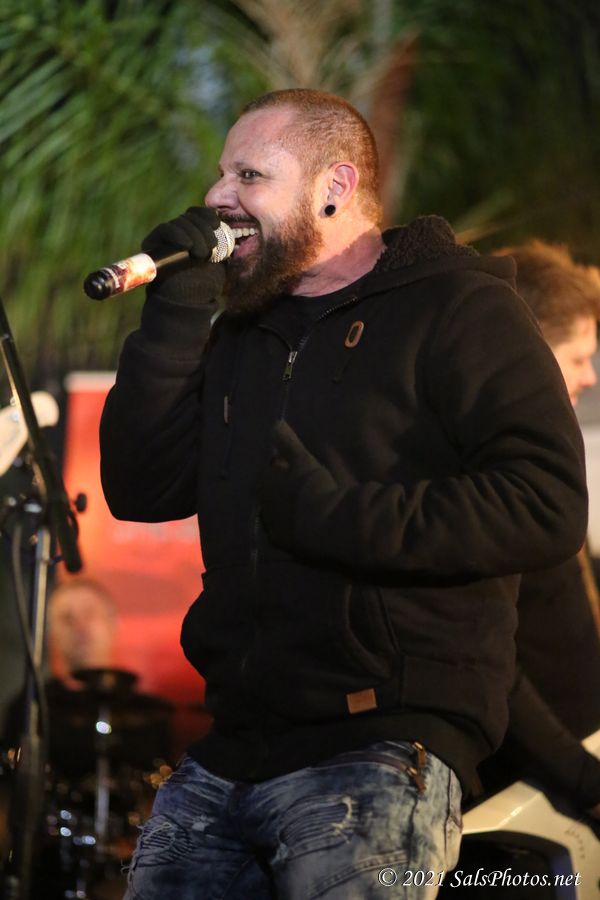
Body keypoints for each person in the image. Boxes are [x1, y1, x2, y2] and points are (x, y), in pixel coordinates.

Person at [99, 89, 587, 899]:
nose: (219, 195)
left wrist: (331, 515)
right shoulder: (244, 334)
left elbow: (545, 503)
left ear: (335, 185)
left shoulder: (460, 306)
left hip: (377, 742)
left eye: (250, 174)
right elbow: (142, 487)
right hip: (231, 748)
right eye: (221, 173)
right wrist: (176, 313)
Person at [475, 240, 600, 817]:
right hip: (524, 798)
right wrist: (582, 778)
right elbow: (488, 659)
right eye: (578, 358)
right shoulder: (484, 470)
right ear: (531, 349)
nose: (588, 377)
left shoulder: (536, 457)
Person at [47, 577, 119, 688]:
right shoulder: (34, 698)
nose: (80, 627)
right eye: (67, 618)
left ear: (112, 623)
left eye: (89, 613)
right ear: (51, 634)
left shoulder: (137, 699)